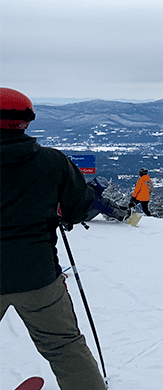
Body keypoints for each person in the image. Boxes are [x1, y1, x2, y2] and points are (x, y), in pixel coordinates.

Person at [0, 88, 107, 390]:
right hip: (37, 274)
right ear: (27, 121)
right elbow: (80, 209)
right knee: (64, 347)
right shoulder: (52, 163)